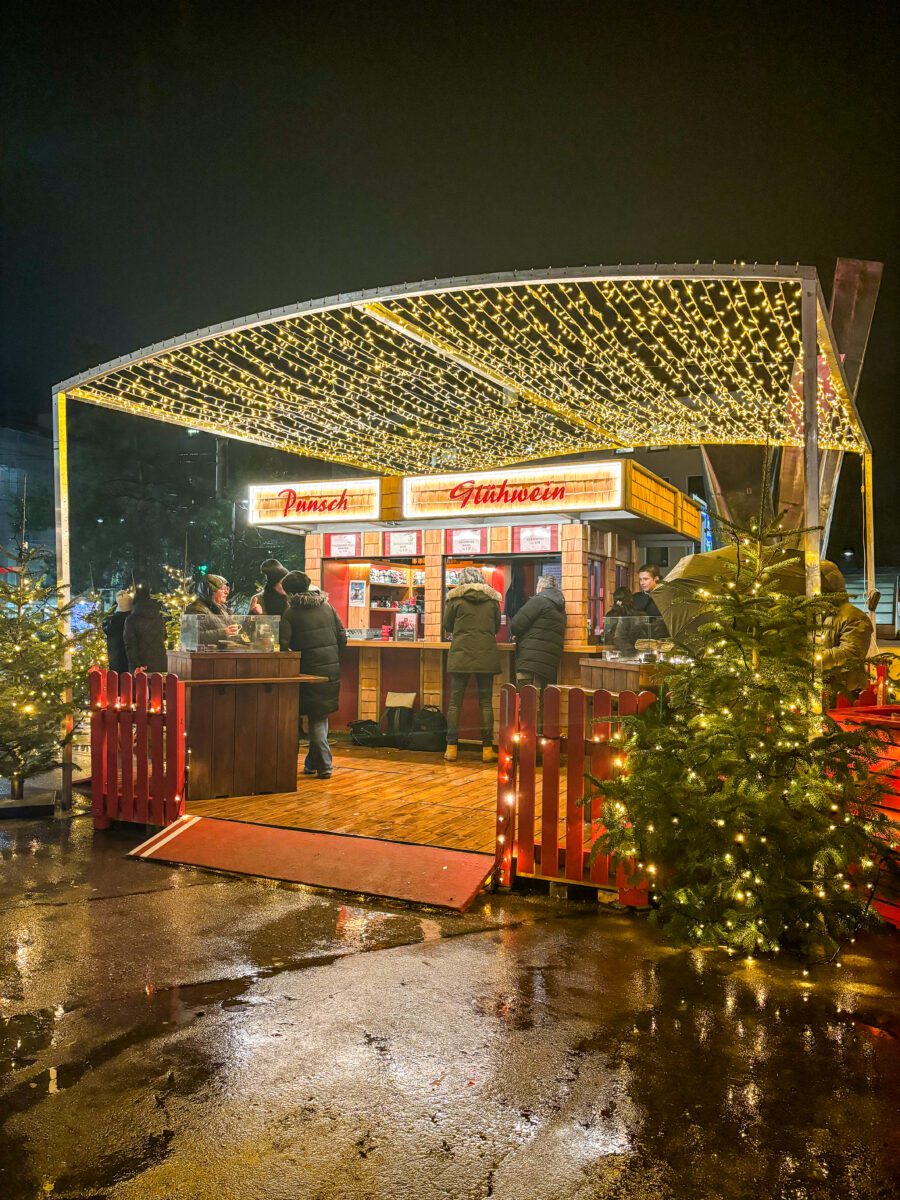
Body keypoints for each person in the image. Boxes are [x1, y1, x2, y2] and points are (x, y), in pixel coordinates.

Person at [279, 570, 347, 780]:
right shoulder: (327, 607)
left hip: (306, 672)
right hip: (330, 670)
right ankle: (311, 764)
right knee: (319, 716)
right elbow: (342, 637)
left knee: (314, 719)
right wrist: (332, 657)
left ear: (289, 592)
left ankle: (325, 765)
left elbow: (283, 646)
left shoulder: (291, 613)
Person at [442, 566, 502, 763]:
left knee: (454, 704)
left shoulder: (455, 600)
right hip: (486, 654)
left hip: (460, 654)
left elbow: (447, 626)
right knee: (485, 703)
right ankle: (486, 750)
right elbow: (496, 627)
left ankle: (451, 748)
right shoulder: (492, 600)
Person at [819, 560, 875, 697]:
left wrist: (811, 658)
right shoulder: (824, 616)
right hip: (827, 691)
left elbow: (850, 654)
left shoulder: (854, 617)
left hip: (849, 694)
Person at [510, 575, 566, 691]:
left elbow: (516, 624)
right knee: (540, 700)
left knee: (527, 700)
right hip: (548, 664)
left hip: (530, 662)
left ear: (541, 588)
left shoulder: (539, 600)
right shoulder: (561, 608)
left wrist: (517, 635)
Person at [185, 574, 240, 647]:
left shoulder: (223, 608)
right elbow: (194, 636)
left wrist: (252, 613)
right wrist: (223, 632)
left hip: (225, 655)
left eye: (227, 588)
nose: (227, 592)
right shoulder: (196, 609)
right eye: (222, 588)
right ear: (209, 590)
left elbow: (238, 628)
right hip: (206, 657)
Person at [124, 586, 168, 673]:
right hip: (160, 663)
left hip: (141, 666)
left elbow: (130, 645)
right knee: (159, 685)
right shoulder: (159, 617)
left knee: (141, 687)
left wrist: (137, 665)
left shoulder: (131, 620)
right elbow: (165, 637)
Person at [603, 586, 642, 657]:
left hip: (615, 651)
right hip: (629, 650)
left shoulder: (611, 615)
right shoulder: (636, 614)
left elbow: (607, 635)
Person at [632, 563, 668, 638]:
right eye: (640, 579)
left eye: (645, 579)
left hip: (662, 640)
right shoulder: (635, 598)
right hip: (638, 641)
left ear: (656, 579)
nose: (642, 583)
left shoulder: (666, 597)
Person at [103, 590, 132, 674]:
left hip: (115, 659)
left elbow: (107, 629)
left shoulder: (112, 620)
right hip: (128, 660)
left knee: (116, 682)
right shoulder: (131, 620)